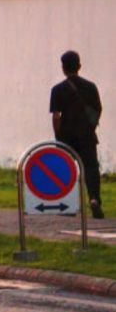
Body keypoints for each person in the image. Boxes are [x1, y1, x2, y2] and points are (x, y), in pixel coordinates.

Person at [51, 50, 103, 219]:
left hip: (66, 136)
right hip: (87, 135)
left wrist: (58, 137)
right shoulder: (91, 86)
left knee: (66, 168)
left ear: (63, 68)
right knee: (91, 168)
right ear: (79, 66)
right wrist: (91, 127)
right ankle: (94, 199)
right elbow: (98, 109)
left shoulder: (57, 89)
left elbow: (56, 116)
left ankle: (67, 206)